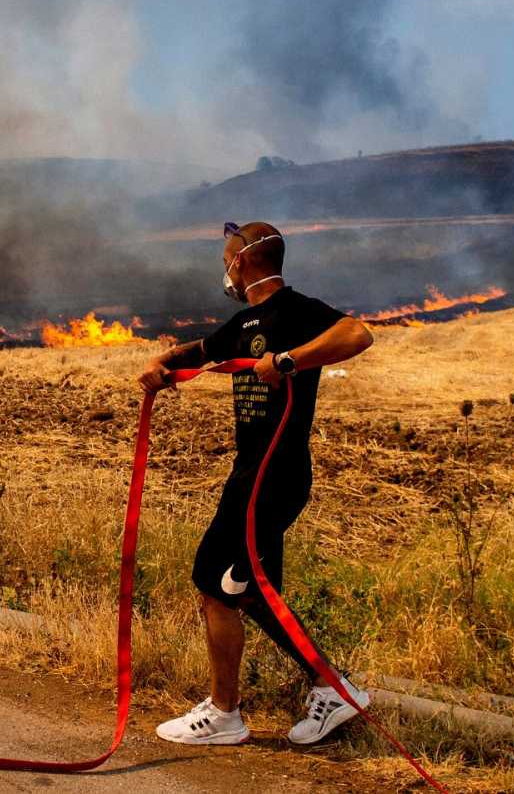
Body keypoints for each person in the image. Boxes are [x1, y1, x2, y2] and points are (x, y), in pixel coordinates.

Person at [138, 221, 375, 747]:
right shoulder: (245, 322)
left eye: (225, 258)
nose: (224, 269)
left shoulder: (294, 310)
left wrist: (288, 361)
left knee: (212, 582)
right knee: (253, 595)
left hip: (274, 474)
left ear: (241, 261)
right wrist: (163, 363)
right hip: (254, 472)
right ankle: (332, 688)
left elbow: (358, 334)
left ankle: (224, 714)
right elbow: (205, 349)